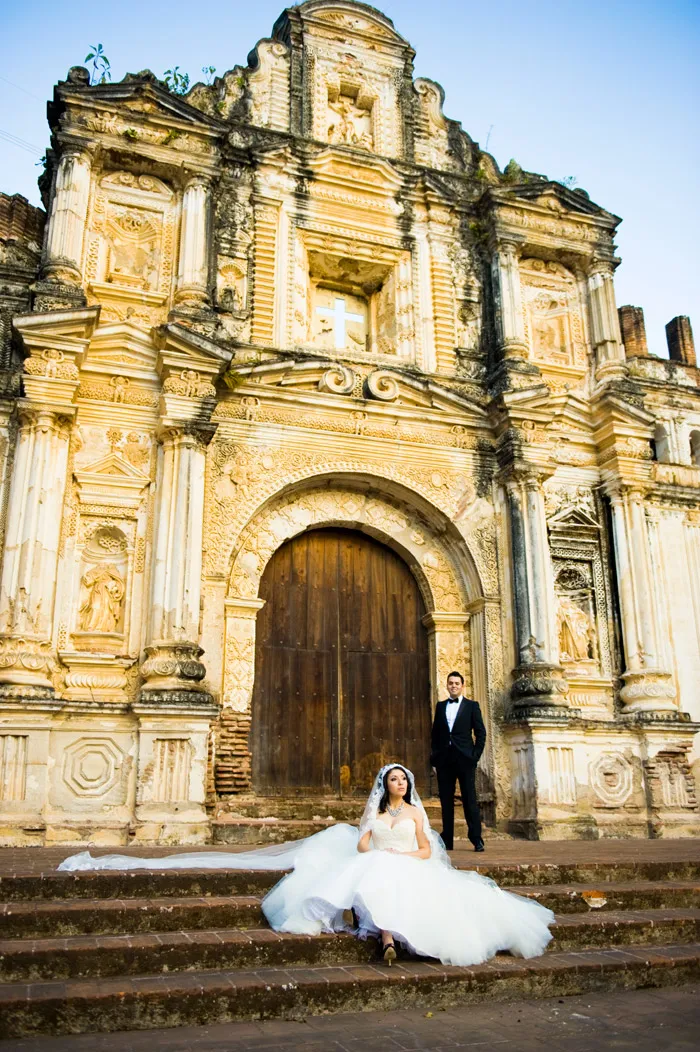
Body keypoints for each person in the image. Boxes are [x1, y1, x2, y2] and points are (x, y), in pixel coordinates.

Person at [58, 763, 554, 968]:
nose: (400, 785)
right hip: (379, 859)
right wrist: (376, 849)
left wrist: (403, 852)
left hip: (410, 861)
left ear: (409, 786)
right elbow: (362, 843)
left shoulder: (417, 814)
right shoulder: (376, 813)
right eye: (395, 781)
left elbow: (427, 848)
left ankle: (389, 934)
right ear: (387, 787)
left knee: (390, 876)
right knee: (373, 872)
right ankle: (385, 938)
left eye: (404, 780)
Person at [431, 671, 486, 852]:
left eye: (457, 683)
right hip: (445, 761)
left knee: (470, 799)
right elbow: (435, 735)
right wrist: (435, 758)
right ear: (447, 685)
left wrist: (474, 755)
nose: (453, 686)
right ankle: (448, 838)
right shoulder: (440, 707)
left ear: (462, 686)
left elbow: (480, 733)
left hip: (465, 760)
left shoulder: (472, 706)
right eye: (451, 683)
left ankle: (476, 838)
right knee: (446, 802)